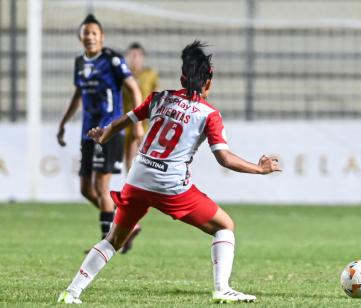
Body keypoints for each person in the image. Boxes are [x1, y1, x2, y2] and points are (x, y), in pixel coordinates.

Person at [57, 40, 281, 304]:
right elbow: (224, 158)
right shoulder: (209, 114)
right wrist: (260, 169)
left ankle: (71, 292)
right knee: (225, 226)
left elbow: (126, 119)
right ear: (209, 81)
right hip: (170, 186)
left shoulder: (158, 98)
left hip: (138, 179)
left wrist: (105, 135)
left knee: (113, 240)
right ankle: (222, 288)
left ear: (182, 78)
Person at [56, 14, 144, 244]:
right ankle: (127, 223)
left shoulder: (112, 59)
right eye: (86, 33)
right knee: (86, 189)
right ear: (80, 37)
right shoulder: (79, 62)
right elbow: (78, 94)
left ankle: (108, 243)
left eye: (94, 33)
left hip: (109, 130)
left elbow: (133, 89)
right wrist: (64, 122)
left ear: (101, 37)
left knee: (101, 186)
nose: (90, 37)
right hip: (88, 131)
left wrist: (138, 123)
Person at [122, 42, 160, 172]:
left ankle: (142, 187)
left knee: (145, 157)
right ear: (127, 57)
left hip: (145, 121)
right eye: (132, 55)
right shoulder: (122, 75)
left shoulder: (150, 74)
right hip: (126, 121)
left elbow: (157, 94)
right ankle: (130, 187)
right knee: (129, 158)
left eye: (137, 55)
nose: (135, 58)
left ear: (142, 57)